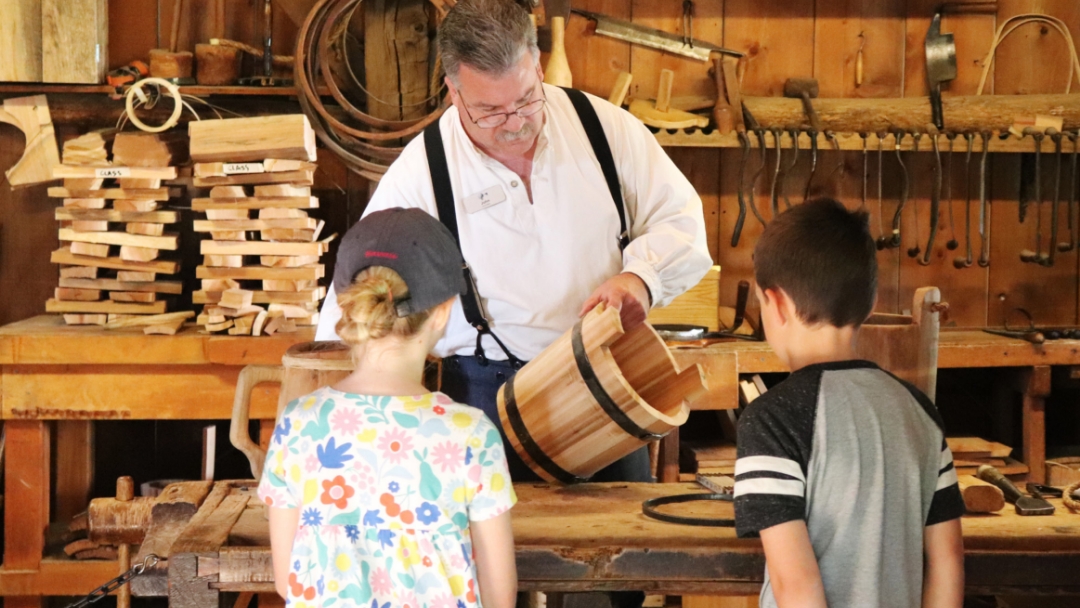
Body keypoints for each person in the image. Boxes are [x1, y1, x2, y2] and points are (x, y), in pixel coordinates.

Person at [315, 0, 712, 485]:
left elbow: (682, 221)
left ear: (538, 67)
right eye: (490, 111)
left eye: (526, 99)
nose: (515, 122)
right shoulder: (422, 171)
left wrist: (641, 279)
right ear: (454, 92)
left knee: (623, 529)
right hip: (484, 403)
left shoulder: (603, 129)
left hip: (607, 386)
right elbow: (359, 295)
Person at [259, 208, 517, 608]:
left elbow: (286, 580)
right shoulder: (472, 434)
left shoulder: (299, 423)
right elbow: (500, 596)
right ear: (443, 312)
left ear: (347, 305)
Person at [733, 199, 966, 608]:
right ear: (870, 305)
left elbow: (796, 586)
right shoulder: (919, 410)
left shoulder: (770, 420)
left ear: (778, 304)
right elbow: (947, 561)